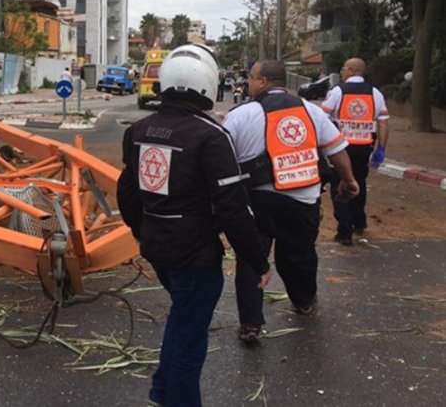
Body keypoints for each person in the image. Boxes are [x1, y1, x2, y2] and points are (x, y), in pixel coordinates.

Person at [117, 44, 271, 407]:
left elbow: (127, 192)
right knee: (190, 335)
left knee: (182, 316)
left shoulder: (138, 130)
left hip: (157, 247)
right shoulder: (211, 137)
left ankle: (161, 392)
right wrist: (258, 260)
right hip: (196, 255)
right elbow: (234, 208)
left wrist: (141, 231)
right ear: (208, 84)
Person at [222, 60, 359, 344]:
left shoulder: (240, 115)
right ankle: (304, 301)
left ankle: (250, 323)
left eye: (250, 78)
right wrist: (348, 180)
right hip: (302, 202)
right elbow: (337, 151)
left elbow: (222, 160)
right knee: (299, 254)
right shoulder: (311, 112)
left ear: (261, 81)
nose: (248, 84)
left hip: (256, 201)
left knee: (251, 257)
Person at [321, 57, 389, 245]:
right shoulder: (375, 93)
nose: (342, 72)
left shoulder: (337, 92)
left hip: (340, 148)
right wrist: (381, 148)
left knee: (339, 184)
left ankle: (345, 231)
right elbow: (383, 122)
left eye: (343, 68)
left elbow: (322, 118)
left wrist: (324, 142)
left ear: (351, 70)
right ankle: (359, 221)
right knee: (359, 181)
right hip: (364, 148)